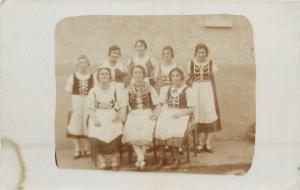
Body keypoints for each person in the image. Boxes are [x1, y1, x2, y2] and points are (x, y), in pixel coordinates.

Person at [122, 65, 161, 170]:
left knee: (147, 128)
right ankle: (141, 158)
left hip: (147, 112)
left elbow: (157, 103)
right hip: (133, 113)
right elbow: (123, 105)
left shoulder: (150, 88)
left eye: (140, 72)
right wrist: (124, 117)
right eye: (135, 73)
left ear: (144, 75)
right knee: (130, 129)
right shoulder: (128, 89)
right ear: (133, 76)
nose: (138, 74)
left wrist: (156, 113)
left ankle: (140, 158)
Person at [87, 67, 127, 170]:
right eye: (102, 74)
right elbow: (90, 109)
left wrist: (119, 116)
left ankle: (114, 156)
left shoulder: (116, 89)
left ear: (110, 77)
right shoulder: (93, 91)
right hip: (98, 114)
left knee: (115, 127)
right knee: (96, 128)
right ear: (98, 77)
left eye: (106, 74)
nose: (104, 76)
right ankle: (101, 157)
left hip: (112, 113)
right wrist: (95, 120)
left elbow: (123, 106)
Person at [154, 67, 194, 169]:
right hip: (169, 111)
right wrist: (160, 114)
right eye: (173, 76)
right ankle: (162, 157)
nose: (175, 78)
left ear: (181, 77)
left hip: (183, 113)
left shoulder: (188, 90)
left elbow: (191, 109)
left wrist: (180, 114)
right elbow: (165, 104)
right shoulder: (168, 89)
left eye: (177, 75)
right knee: (160, 126)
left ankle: (176, 157)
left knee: (175, 127)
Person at [187, 43, 221, 153]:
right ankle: (200, 143)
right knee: (199, 115)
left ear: (206, 53)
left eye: (203, 52)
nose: (201, 54)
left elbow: (213, 78)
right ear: (196, 53)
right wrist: (193, 85)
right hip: (196, 91)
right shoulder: (191, 63)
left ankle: (208, 143)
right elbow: (188, 79)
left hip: (207, 91)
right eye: (199, 52)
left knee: (209, 115)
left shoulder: (211, 64)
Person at [65, 55, 94, 159]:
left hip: (88, 102)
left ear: (88, 64)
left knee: (87, 124)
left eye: (85, 62)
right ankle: (77, 149)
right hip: (76, 102)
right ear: (78, 65)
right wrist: (70, 105)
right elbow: (68, 92)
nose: (83, 64)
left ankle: (87, 148)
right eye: (80, 62)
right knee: (75, 125)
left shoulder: (92, 76)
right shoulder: (72, 76)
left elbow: (95, 92)